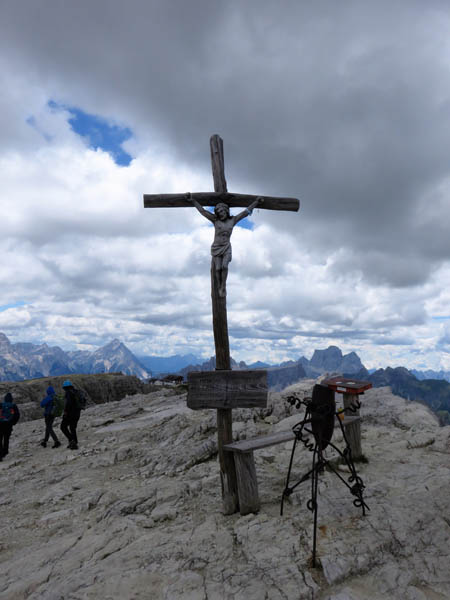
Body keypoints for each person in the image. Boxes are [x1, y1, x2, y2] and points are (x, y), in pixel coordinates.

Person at [188, 194, 263, 297]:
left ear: (226, 211)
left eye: (222, 211)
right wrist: (193, 201)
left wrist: (256, 202)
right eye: (219, 212)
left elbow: (246, 212)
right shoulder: (216, 221)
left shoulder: (233, 220)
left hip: (226, 247)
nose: (221, 214)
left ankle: (223, 287)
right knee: (218, 269)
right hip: (216, 247)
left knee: (224, 266)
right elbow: (203, 212)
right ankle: (219, 285)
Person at [60, 380, 81, 450]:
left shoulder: (68, 393)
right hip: (77, 413)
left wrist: (65, 412)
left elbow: (68, 404)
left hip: (70, 414)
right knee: (72, 428)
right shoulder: (76, 391)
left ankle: (72, 440)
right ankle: (74, 442)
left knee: (63, 427)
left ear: (65, 387)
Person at [0, 392, 20, 460]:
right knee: (6, 439)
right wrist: (13, 423)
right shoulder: (13, 405)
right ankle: (5, 452)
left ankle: (0, 455)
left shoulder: (1, 405)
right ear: (11, 399)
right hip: (8, 425)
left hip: (1, 424)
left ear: (5, 399)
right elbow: (17, 415)